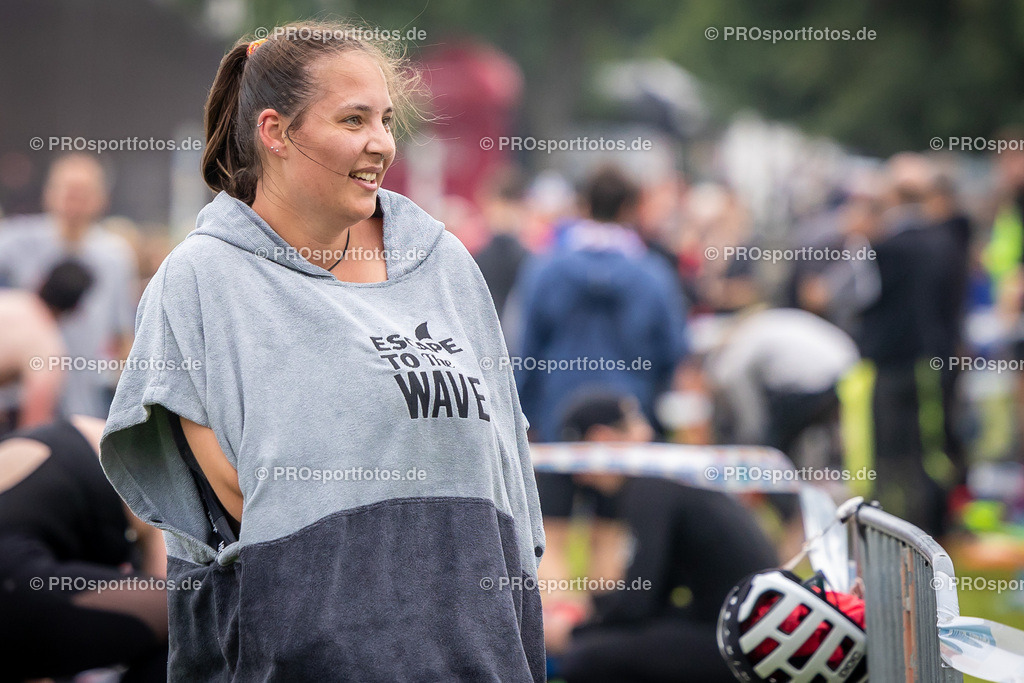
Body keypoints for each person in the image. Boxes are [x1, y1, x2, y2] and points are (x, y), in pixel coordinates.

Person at [99, 22, 546, 681]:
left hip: (477, 660)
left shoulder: (445, 264)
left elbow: (505, 468)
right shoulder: (202, 281)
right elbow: (243, 498)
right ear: (277, 133)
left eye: (386, 119)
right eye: (354, 119)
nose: (381, 144)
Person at [547, 391, 779, 683]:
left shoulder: (648, 486)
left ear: (600, 440)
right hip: (756, 634)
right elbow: (655, 592)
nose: (579, 476)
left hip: (740, 641)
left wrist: (574, 631)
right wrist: (594, 608)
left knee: (583, 658)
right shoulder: (667, 475)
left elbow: (638, 604)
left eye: (577, 458)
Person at [515, 166, 688, 443]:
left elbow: (526, 352)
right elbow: (672, 351)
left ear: (583, 205)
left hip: (558, 419)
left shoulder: (545, 270)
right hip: (629, 422)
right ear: (630, 208)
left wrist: (524, 418)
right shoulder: (654, 275)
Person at [0, 416, 168, 681]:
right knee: (191, 618)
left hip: (18, 585)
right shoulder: (160, 468)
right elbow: (172, 594)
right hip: (14, 582)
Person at [0, 154, 139, 419]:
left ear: (101, 199)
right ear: (48, 193)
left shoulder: (115, 256)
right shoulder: (13, 242)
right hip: (17, 396)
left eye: (83, 192)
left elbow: (122, 336)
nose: (73, 200)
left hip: (85, 400)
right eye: (67, 190)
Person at [0, 259, 94, 436]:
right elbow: (34, 428)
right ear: (77, 308)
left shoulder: (8, 300)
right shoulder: (48, 348)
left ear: (41, 280)